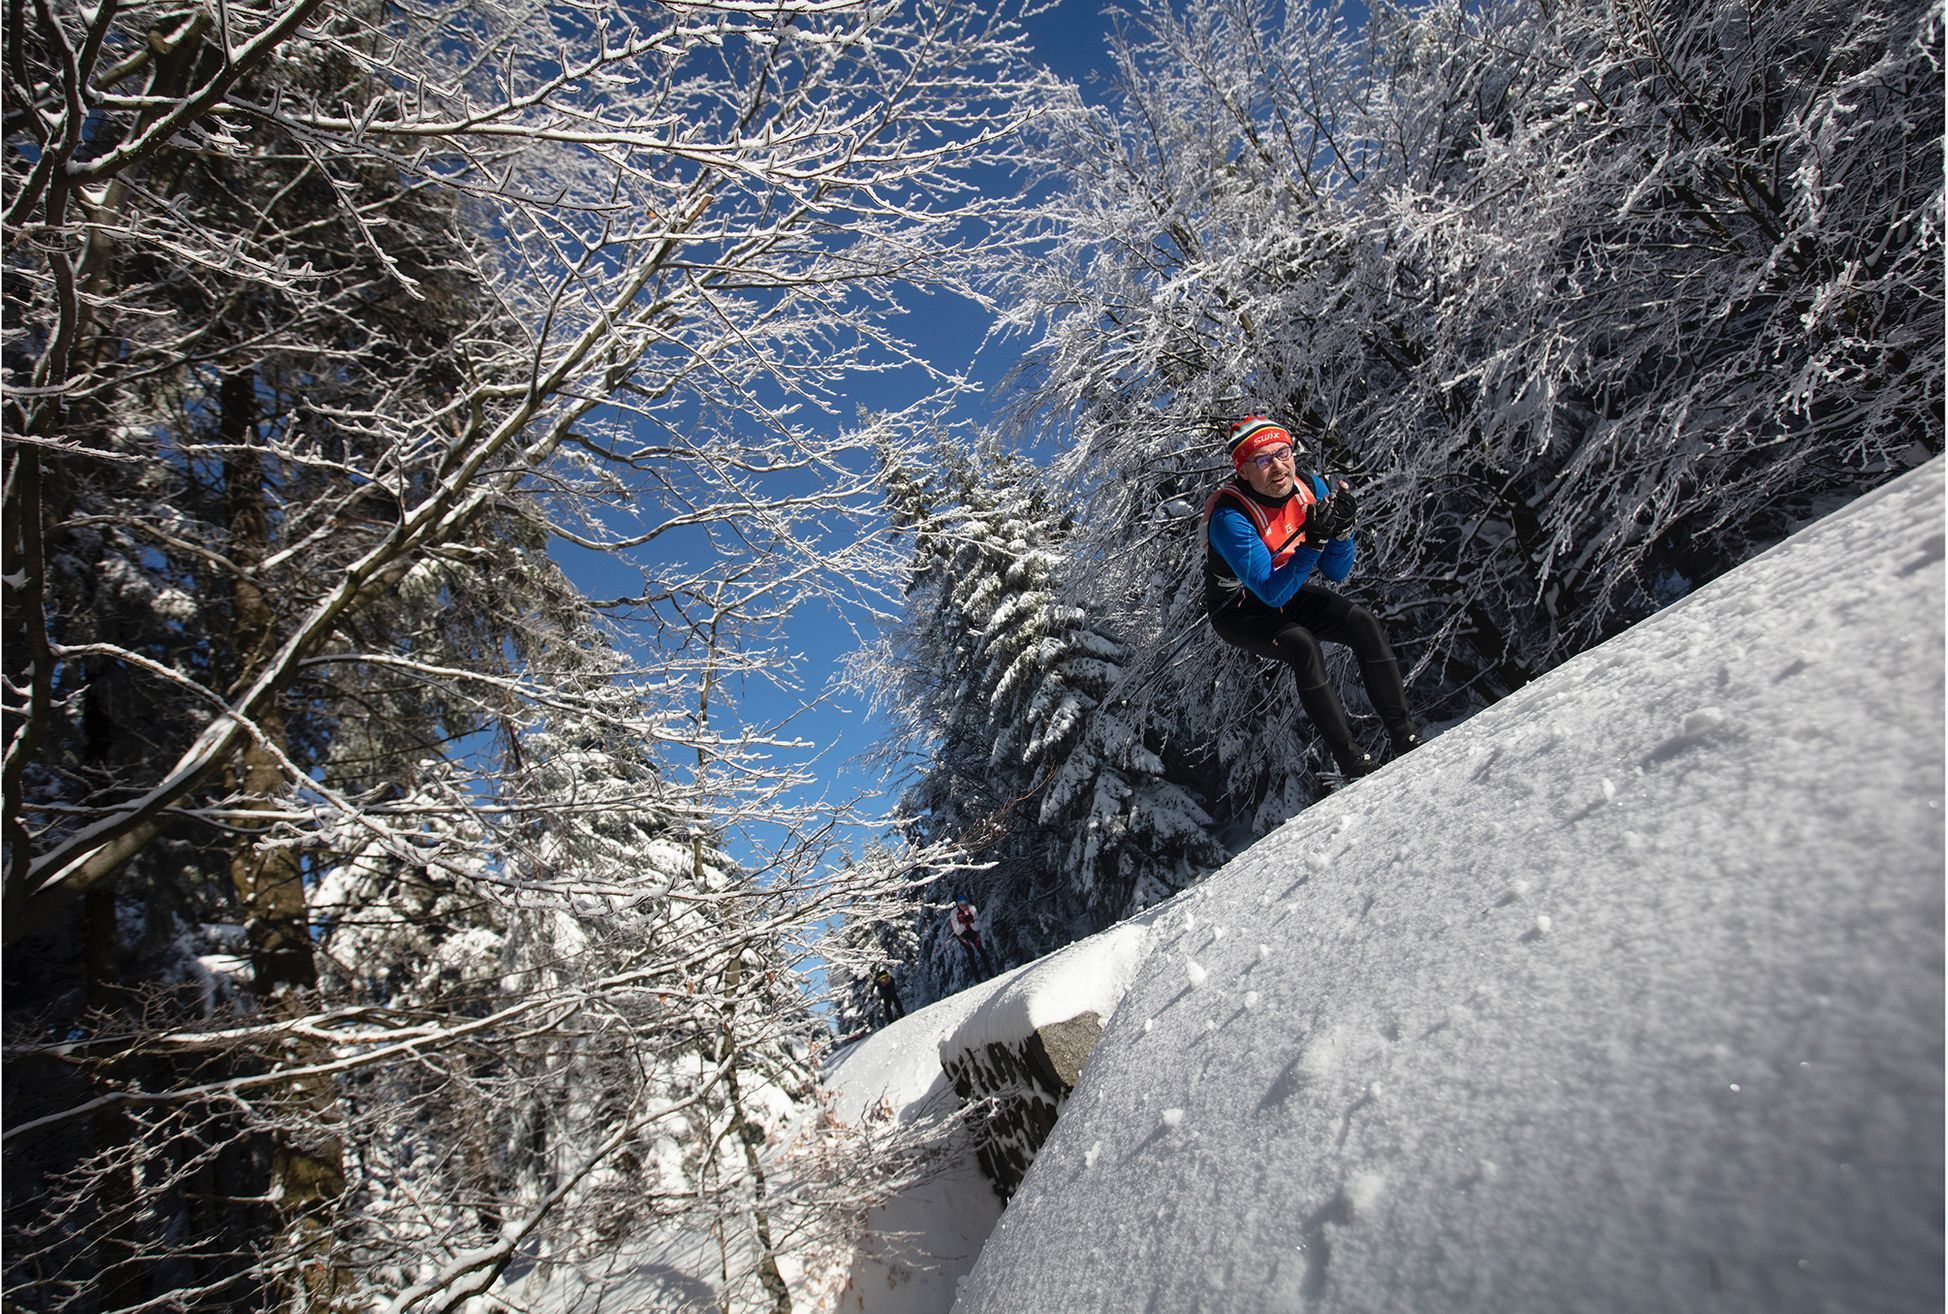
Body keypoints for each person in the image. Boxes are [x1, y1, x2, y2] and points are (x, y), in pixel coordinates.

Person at [1203, 414, 1422, 781]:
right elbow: (1270, 594)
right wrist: (1314, 544)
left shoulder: (1310, 488)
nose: (1278, 466)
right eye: (1262, 460)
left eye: (1283, 452)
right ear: (1243, 471)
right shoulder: (1230, 517)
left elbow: (1337, 572)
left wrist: (1343, 533)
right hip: (1241, 610)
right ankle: (1351, 760)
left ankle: (1405, 735)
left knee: (1361, 621)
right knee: (1301, 644)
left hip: (1287, 589)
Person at [948, 896, 996, 976]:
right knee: (970, 951)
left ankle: (990, 973)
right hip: (962, 935)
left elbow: (977, 926)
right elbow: (957, 931)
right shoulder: (954, 913)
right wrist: (963, 923)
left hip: (972, 931)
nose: (963, 906)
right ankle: (977, 978)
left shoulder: (972, 909)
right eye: (960, 904)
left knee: (980, 949)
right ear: (958, 905)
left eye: (964, 903)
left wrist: (971, 922)